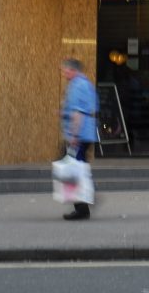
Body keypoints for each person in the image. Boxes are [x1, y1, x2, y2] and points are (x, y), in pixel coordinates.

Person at [60, 57, 98, 220]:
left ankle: (82, 208)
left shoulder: (77, 85)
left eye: (65, 70)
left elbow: (77, 113)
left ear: (73, 70)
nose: (64, 73)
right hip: (87, 132)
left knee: (72, 170)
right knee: (76, 168)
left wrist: (74, 136)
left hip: (79, 134)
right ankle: (84, 203)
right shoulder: (86, 83)